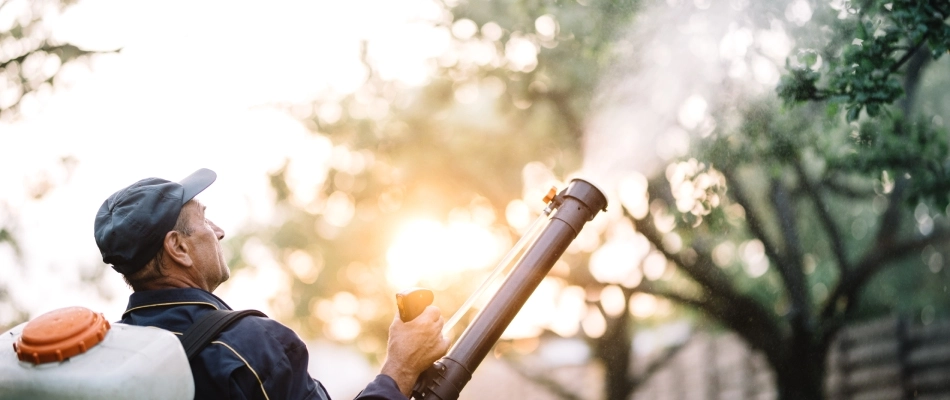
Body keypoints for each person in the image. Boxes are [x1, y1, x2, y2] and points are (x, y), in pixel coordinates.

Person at [93, 168, 449, 399]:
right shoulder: (249, 347)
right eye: (204, 219)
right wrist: (401, 365)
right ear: (178, 247)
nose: (219, 231)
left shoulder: (111, 355)